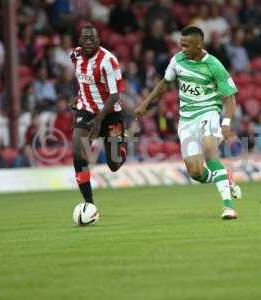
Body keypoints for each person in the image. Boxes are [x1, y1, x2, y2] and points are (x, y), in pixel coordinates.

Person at [135, 26, 241, 220]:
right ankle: (225, 177)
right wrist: (145, 104)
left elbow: (230, 98)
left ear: (199, 45)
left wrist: (226, 123)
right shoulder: (177, 60)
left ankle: (228, 207)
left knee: (210, 152)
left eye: (186, 45)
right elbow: (165, 83)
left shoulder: (214, 65)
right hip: (186, 120)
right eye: (180, 44)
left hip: (208, 113)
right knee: (196, 173)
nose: (181, 48)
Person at [70, 25, 127, 205]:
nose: (89, 42)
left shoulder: (108, 60)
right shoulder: (75, 56)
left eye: (92, 39)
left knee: (114, 165)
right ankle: (89, 203)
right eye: (85, 38)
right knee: (78, 151)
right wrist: (80, 96)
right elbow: (84, 81)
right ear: (80, 41)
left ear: (98, 40)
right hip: (86, 110)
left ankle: (122, 145)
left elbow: (115, 94)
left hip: (110, 113)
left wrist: (99, 119)